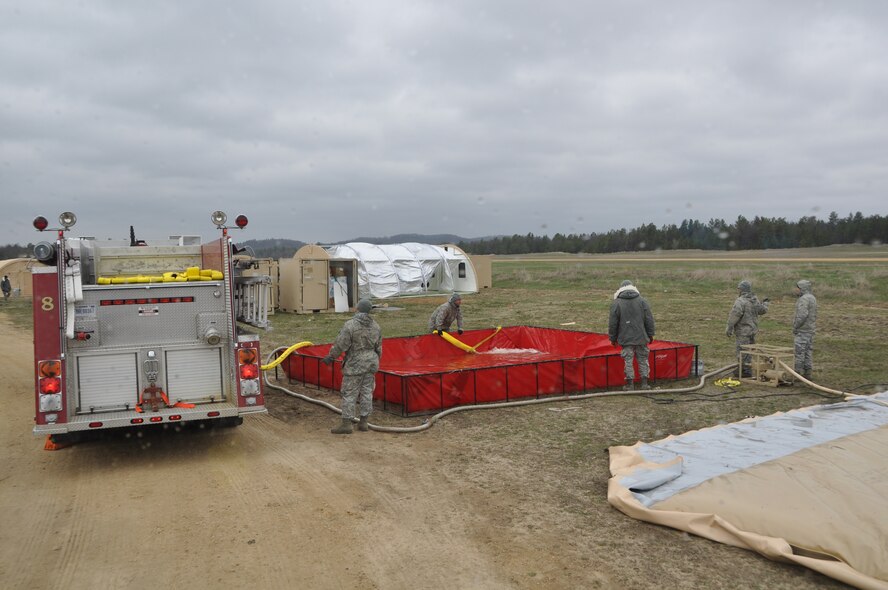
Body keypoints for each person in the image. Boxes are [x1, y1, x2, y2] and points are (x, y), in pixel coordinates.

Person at [321, 298, 382, 434]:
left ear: (357, 308)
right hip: (371, 363)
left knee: (349, 393)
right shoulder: (376, 326)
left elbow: (341, 344)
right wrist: (375, 361)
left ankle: (347, 424)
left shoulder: (350, 325)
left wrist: (331, 357)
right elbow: (379, 348)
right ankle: (364, 422)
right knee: (367, 393)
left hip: (355, 364)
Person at [608, 280, 656, 391]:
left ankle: (630, 385)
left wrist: (613, 338)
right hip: (641, 337)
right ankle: (644, 384)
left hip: (625, 338)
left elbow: (613, 323)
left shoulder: (616, 303)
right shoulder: (642, 301)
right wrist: (650, 334)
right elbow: (649, 319)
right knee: (643, 359)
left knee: (628, 361)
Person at [725, 279, 769, 377]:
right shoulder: (754, 299)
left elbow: (735, 315)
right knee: (749, 350)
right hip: (752, 330)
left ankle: (745, 370)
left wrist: (729, 327)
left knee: (742, 351)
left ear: (742, 289)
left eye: (739, 288)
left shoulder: (740, 301)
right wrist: (766, 303)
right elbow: (762, 310)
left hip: (743, 331)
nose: (738, 290)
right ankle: (746, 368)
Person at [793, 279, 817, 380]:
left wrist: (795, 326)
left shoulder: (804, 299)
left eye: (798, 288)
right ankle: (807, 373)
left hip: (803, 330)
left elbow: (802, 315)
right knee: (808, 352)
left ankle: (797, 374)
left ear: (802, 288)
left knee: (799, 352)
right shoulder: (812, 298)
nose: (796, 290)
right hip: (810, 329)